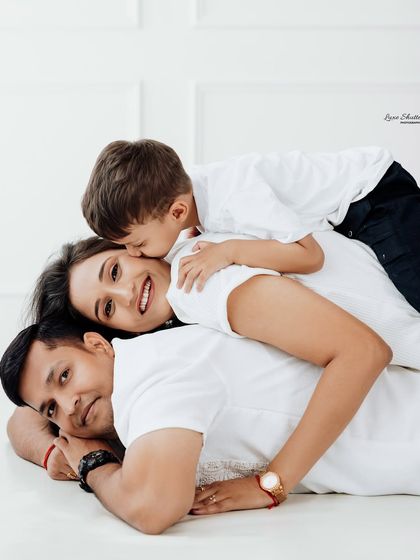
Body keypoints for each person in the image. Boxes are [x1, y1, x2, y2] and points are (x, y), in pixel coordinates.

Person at [7, 229, 419, 488]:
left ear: (133, 245)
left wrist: (271, 484)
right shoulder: (167, 337)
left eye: (115, 272)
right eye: (108, 308)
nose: (126, 294)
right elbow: (22, 418)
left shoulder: (206, 282)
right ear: (107, 336)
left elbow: (363, 352)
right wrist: (55, 450)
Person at [5, 316, 413, 535]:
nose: (70, 405)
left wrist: (93, 463)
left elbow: (153, 509)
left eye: (64, 376)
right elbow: (20, 420)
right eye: (53, 410)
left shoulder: (154, 376)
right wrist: (51, 450)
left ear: (97, 344)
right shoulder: (125, 375)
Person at [81, 139, 420, 312]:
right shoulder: (183, 190)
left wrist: (228, 252)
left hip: (374, 195)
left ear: (177, 211)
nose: (133, 254)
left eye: (138, 243)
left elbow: (310, 256)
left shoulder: (236, 199)